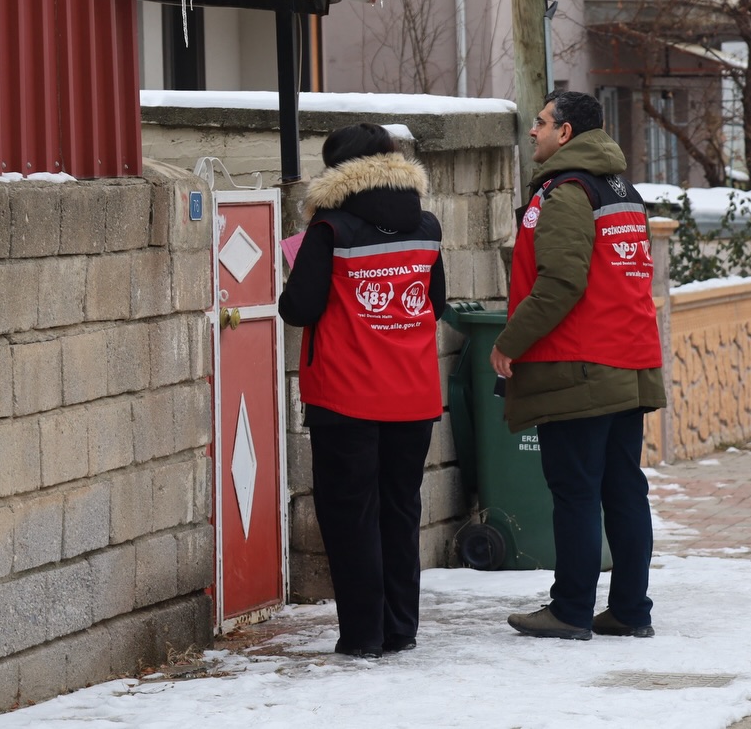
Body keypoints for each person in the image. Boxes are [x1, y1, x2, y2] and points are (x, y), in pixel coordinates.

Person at [489, 90, 665, 641]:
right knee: (623, 489)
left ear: (566, 133)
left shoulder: (567, 191)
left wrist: (509, 343)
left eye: (540, 124)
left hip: (581, 365)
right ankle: (631, 610)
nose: (533, 132)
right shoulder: (621, 189)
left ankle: (569, 610)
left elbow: (561, 282)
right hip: (629, 359)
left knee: (577, 491)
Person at [278, 123, 447, 659]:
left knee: (351, 517)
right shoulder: (425, 225)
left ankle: (363, 636)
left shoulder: (331, 229)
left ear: (339, 171)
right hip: (413, 395)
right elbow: (434, 303)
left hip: (345, 398)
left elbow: (298, 308)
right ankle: (401, 627)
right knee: (400, 510)